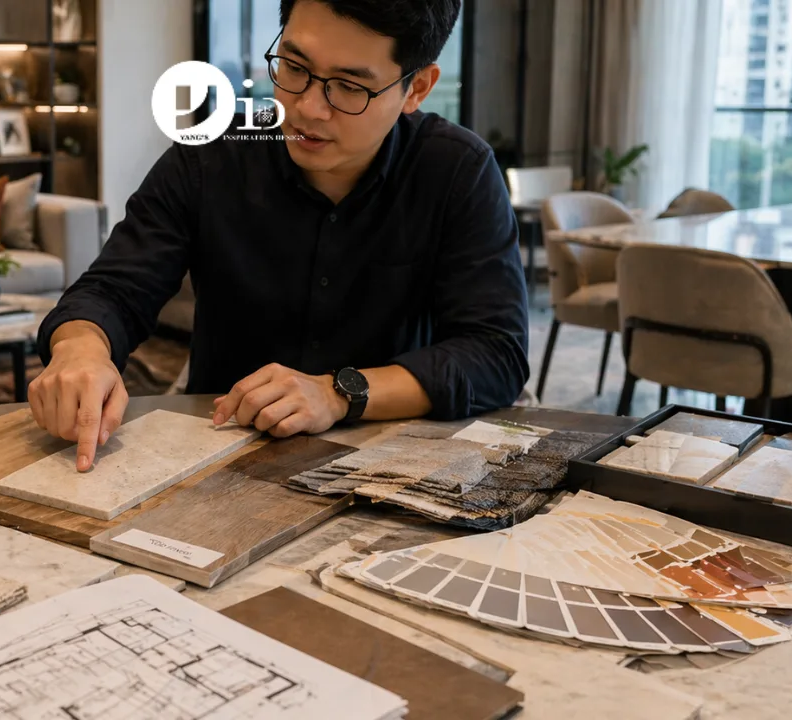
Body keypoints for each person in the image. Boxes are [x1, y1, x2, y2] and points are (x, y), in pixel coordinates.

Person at [30, 0, 529, 472]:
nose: (309, 108)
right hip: (215, 456)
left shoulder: (455, 171)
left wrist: (339, 393)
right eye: (294, 68)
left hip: (387, 466)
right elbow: (113, 290)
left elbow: (495, 353)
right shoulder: (212, 157)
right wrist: (81, 351)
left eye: (350, 87)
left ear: (416, 88)